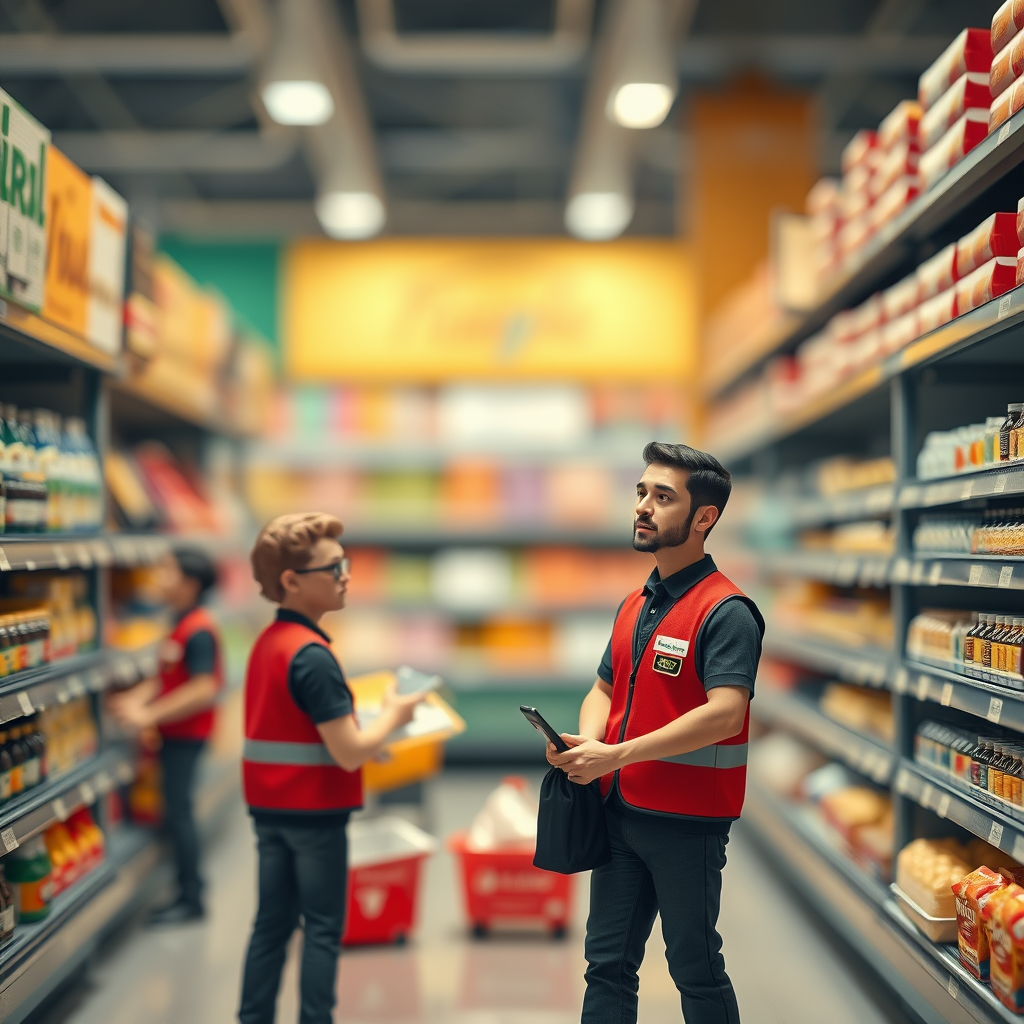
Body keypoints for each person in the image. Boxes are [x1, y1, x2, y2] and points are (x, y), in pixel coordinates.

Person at [547, 442, 764, 1024]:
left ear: (703, 519)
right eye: (641, 492)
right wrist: (583, 746)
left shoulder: (727, 611)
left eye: (662, 497)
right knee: (607, 964)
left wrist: (615, 754)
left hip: (685, 825)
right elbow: (604, 687)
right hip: (620, 814)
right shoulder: (635, 603)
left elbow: (726, 713)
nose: (643, 506)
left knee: (694, 966)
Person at [238, 512, 425, 1024]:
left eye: (345, 563)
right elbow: (346, 752)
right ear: (292, 581)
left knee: (271, 924)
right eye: (332, 567)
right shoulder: (313, 657)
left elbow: (293, 729)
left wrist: (368, 738)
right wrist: (396, 713)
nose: (345, 575)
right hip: (315, 812)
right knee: (321, 928)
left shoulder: (269, 643)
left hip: (269, 807)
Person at [110, 546, 223, 926]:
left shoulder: (200, 630)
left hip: (187, 736)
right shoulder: (180, 621)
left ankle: (192, 897)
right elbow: (169, 677)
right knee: (175, 810)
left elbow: (203, 688)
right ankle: (185, 890)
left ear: (190, 585)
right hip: (173, 732)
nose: (160, 578)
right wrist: (138, 698)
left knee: (179, 812)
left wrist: (149, 713)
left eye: (168, 572)